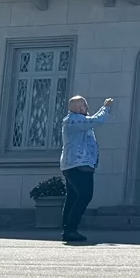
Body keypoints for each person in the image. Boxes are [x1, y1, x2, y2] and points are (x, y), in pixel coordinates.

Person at [60, 96, 113, 244]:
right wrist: (106, 108)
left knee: (72, 197)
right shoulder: (74, 120)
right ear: (77, 108)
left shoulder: (75, 121)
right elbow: (96, 121)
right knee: (85, 195)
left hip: (74, 165)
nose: (87, 108)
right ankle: (71, 228)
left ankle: (68, 229)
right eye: (84, 105)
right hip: (79, 165)